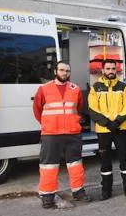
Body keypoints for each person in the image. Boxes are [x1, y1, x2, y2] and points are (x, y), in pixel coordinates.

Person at [33, 61, 91, 208]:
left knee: (75, 164)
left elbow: (78, 108)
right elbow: (37, 110)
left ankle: (78, 192)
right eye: (62, 70)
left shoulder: (75, 89)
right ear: (55, 71)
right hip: (51, 134)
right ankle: (47, 196)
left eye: (67, 71)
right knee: (48, 166)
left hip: (72, 133)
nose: (64, 73)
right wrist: (48, 124)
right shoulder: (44, 89)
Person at [88, 60, 126, 200]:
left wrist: (117, 121)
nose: (111, 71)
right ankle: (106, 190)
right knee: (105, 161)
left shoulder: (123, 87)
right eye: (108, 68)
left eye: (113, 68)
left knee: (124, 160)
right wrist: (107, 123)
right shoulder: (95, 87)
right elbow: (92, 108)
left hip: (121, 128)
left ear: (116, 70)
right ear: (103, 70)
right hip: (103, 130)